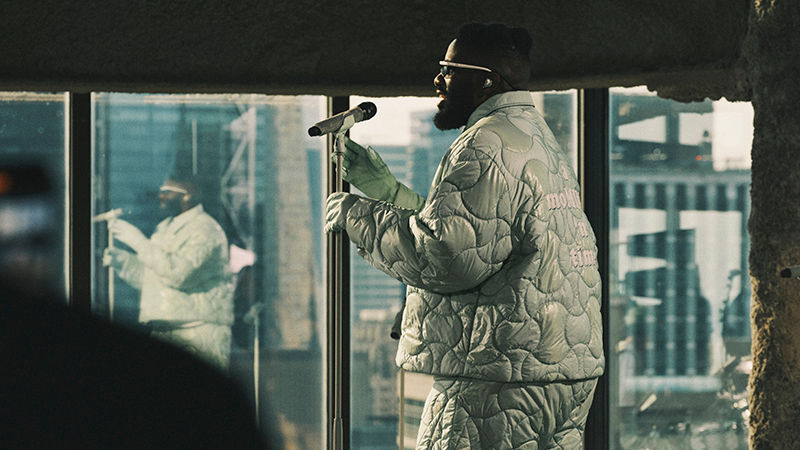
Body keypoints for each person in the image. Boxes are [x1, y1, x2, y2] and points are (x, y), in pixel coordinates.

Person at [325, 23, 604, 448]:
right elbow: (478, 234)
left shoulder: (485, 142)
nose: (438, 80)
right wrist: (388, 192)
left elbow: (448, 256)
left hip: (500, 376)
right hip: (558, 369)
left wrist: (355, 214)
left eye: (449, 70)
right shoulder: (532, 135)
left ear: (486, 81)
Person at [104, 176, 235, 370]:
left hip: (198, 332)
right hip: (166, 331)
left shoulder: (206, 229)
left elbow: (178, 274)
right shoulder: (164, 228)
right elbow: (155, 278)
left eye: (167, 191)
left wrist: (138, 241)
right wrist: (124, 262)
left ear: (187, 195)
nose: (161, 196)